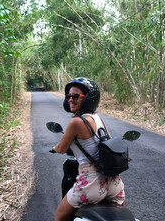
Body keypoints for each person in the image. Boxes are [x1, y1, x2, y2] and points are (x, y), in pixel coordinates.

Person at [52, 77, 125, 221]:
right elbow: (108, 141)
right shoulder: (97, 118)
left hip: (91, 184)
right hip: (113, 182)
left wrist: (54, 148)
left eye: (75, 96)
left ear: (88, 98)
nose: (70, 100)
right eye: (68, 96)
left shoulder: (76, 122)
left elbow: (61, 148)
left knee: (59, 215)